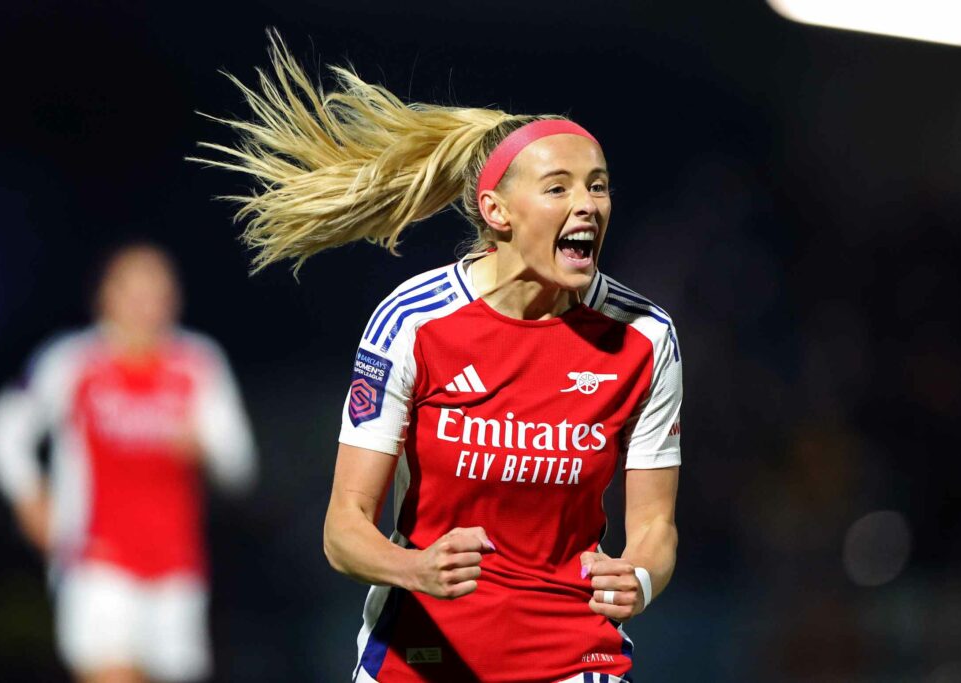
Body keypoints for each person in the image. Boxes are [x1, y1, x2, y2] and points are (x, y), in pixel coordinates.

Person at [198, 33, 681, 683]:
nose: (587, 205)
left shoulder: (645, 336)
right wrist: (413, 568)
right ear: (497, 211)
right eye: (559, 187)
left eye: (597, 186)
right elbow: (344, 529)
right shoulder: (415, 321)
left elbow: (655, 524)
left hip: (572, 654)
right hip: (423, 654)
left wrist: (640, 579)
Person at [0, 244, 258, 683]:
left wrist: (203, 448)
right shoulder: (73, 360)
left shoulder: (197, 363)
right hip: (96, 561)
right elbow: (5, 426)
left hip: (177, 567)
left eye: (156, 291)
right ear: (105, 295)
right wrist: (30, 496)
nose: (144, 303)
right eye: (132, 289)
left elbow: (241, 466)